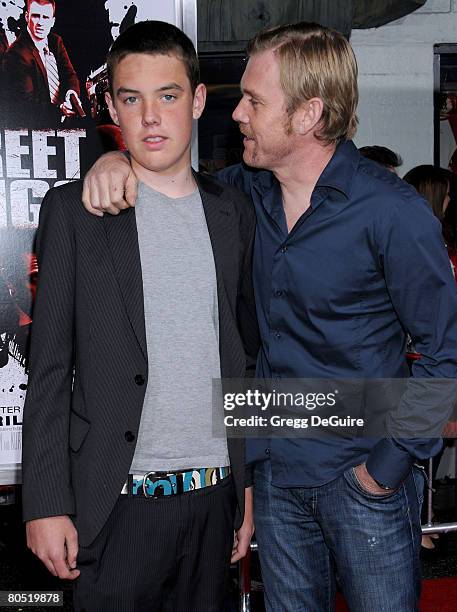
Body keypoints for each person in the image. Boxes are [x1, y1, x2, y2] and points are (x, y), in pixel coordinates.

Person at [81, 22, 457, 612]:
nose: (238, 115)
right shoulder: (243, 195)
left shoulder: (391, 212)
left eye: (255, 101)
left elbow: (446, 353)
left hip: (362, 476)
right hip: (276, 475)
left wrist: (386, 469)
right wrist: (115, 160)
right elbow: (169, 176)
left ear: (310, 115)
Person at [22, 20, 258, 612]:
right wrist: (45, 502)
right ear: (112, 105)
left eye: (168, 96)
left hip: (214, 501)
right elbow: (48, 366)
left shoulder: (233, 212)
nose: (150, 116)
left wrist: (245, 484)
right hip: (115, 504)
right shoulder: (76, 211)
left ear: (199, 100)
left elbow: (239, 357)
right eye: (132, 98)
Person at [3, 0, 83, 126]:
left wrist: (71, 94)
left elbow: (69, 75)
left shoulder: (55, 41)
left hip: (65, 123)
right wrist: (60, 110)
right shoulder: (15, 55)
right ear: (26, 17)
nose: (40, 23)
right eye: (35, 16)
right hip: (37, 128)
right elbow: (26, 105)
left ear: (53, 21)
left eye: (45, 17)